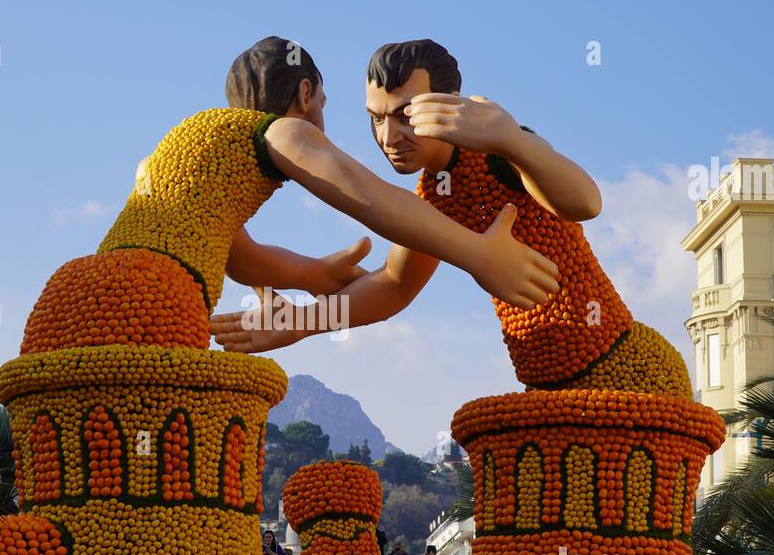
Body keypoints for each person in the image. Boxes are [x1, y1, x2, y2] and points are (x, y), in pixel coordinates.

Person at [211, 40, 690, 402]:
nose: (388, 136)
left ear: (449, 103)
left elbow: (585, 201)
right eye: (375, 119)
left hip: (624, 376)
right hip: (547, 392)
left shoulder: (496, 151)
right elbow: (394, 286)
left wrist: (513, 141)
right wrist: (303, 321)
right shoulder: (431, 196)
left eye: (405, 116)